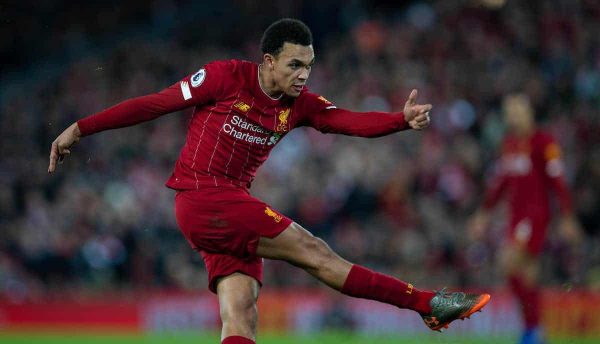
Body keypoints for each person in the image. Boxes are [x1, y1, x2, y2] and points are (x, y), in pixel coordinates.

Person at [49, 18, 490, 344]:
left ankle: (427, 306)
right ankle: (427, 304)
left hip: (225, 210)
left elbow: (348, 121)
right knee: (316, 253)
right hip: (204, 197)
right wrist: (81, 128)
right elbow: (154, 104)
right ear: (269, 61)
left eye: (310, 66)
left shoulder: (301, 105)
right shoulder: (225, 77)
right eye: (295, 64)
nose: (303, 74)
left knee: (241, 317)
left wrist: (399, 119)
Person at [468, 94, 581, 344]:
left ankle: (533, 329)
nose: (513, 116)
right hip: (515, 217)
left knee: (507, 262)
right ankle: (534, 331)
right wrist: (484, 213)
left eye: (517, 111)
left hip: (535, 216)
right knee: (527, 276)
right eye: (509, 112)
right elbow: (500, 182)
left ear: (529, 112)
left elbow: (557, 181)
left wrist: (567, 215)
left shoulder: (544, 142)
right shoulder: (509, 144)